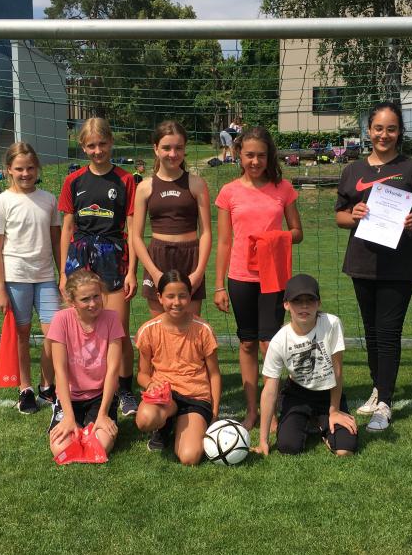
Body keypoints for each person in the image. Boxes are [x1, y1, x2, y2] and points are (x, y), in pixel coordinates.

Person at [334, 102, 412, 432]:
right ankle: (379, 387)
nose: (384, 134)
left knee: (389, 333)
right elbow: (340, 216)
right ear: (368, 130)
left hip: (398, 265)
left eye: (391, 128)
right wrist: (356, 216)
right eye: (378, 128)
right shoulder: (353, 171)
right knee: (372, 332)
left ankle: (386, 403)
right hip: (362, 263)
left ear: (399, 132)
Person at [214, 126, 303, 430]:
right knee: (248, 343)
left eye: (261, 155)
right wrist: (218, 285)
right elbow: (224, 241)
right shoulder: (228, 192)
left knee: (270, 345)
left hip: (272, 278)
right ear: (239, 154)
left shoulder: (283, 189)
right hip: (240, 277)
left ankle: (273, 410)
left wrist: (274, 239)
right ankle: (252, 410)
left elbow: (297, 233)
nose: (255, 161)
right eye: (249, 155)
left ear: (269, 156)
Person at [58, 117, 139, 418]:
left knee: (118, 330)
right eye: (91, 145)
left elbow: (132, 228)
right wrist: (64, 271)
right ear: (83, 147)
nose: (97, 150)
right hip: (80, 254)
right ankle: (80, 388)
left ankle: (125, 389)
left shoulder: (125, 179)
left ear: (111, 143)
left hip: (113, 253)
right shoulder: (73, 180)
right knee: (81, 328)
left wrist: (131, 271)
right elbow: (67, 227)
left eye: (102, 144)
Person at [0, 141, 62, 414]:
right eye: (19, 168)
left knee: (54, 334)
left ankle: (47, 385)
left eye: (30, 167)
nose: (25, 173)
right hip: (15, 278)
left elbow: (56, 242)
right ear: (9, 170)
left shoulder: (49, 199)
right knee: (21, 334)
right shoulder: (1, 203)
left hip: (45, 277)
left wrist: (63, 274)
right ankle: (25, 388)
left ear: (37, 168)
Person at [257, 274, 357, 456]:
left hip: (328, 393)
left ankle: (322, 421)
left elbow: (337, 371)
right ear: (286, 305)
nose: (304, 306)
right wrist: (263, 441)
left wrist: (334, 410)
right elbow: (270, 389)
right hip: (298, 394)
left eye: (310, 300)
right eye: (297, 301)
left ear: (318, 303)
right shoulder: (279, 340)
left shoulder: (331, 324)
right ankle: (311, 420)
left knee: (345, 449)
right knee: (288, 446)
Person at [134, 271, 222, 465]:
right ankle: (164, 426)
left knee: (189, 457)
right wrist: (150, 384)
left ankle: (179, 427)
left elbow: (214, 375)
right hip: (165, 396)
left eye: (182, 296)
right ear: (159, 297)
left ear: (190, 297)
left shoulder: (203, 330)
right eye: (170, 296)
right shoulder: (148, 330)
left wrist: (214, 414)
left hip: (196, 397)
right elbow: (142, 374)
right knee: (145, 419)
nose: (176, 302)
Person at [131, 120, 212, 319]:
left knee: (191, 331)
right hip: (157, 258)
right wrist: (155, 273)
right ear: (156, 149)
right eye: (166, 148)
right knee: (160, 331)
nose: (173, 154)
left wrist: (199, 272)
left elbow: (207, 233)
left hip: (189, 258)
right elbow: (136, 237)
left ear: (184, 150)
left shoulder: (197, 184)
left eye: (178, 148)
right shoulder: (144, 188)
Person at [45, 269, 123, 457]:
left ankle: (93, 424)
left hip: (100, 396)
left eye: (96, 296)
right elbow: (60, 371)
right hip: (70, 397)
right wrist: (69, 418)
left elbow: (113, 370)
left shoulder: (112, 318)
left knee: (99, 446)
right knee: (61, 449)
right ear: (72, 302)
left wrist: (103, 414)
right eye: (85, 299)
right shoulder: (60, 320)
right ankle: (75, 423)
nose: (93, 303)